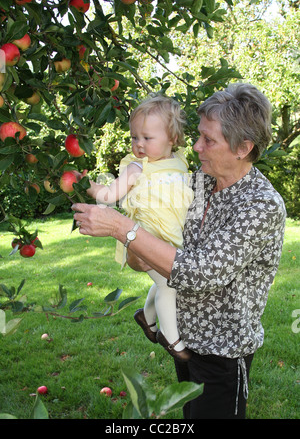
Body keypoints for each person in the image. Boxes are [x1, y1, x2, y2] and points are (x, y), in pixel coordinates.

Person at [72, 83, 286, 419]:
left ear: (243, 147)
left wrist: (122, 229)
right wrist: (133, 247)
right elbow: (151, 255)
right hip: (185, 343)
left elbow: (200, 272)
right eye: (199, 135)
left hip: (222, 354)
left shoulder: (259, 204)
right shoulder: (198, 182)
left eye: (208, 140)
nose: (196, 146)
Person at [74, 95, 194, 362]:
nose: (139, 144)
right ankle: (172, 339)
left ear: (172, 139)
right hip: (147, 235)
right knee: (169, 284)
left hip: (171, 235)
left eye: (147, 138)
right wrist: (86, 184)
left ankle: (146, 317)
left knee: (166, 278)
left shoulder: (178, 160)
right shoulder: (137, 167)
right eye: (134, 137)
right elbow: (109, 195)